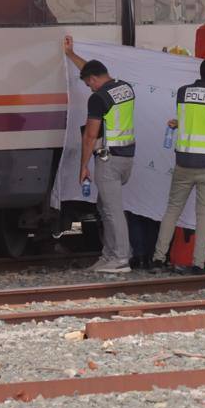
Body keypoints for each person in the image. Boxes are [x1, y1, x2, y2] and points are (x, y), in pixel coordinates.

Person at [151, 57, 205, 275]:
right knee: (204, 214)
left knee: (172, 209)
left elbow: (190, 118)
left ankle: (158, 259)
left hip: (185, 161)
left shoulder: (183, 92)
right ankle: (198, 264)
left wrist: (180, 124)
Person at [63, 36, 135, 273]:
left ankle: (121, 258)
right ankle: (109, 255)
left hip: (108, 159)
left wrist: (83, 166)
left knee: (112, 211)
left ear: (94, 80)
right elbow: (91, 70)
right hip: (126, 158)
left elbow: (90, 136)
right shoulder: (125, 87)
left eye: (89, 84)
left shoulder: (98, 98)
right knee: (105, 208)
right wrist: (71, 55)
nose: (90, 88)